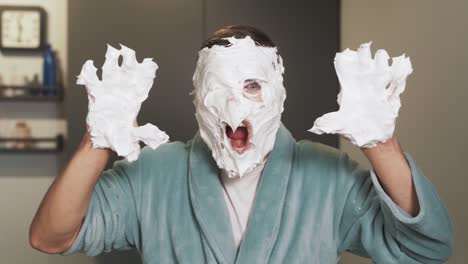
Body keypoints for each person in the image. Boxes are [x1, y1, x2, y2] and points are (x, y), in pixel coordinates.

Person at [30, 25, 452, 264]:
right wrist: (97, 141)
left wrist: (382, 143)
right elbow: (49, 237)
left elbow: (426, 249)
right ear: (196, 99)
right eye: (218, 88)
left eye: (252, 85)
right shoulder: (152, 173)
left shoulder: (329, 177)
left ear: (279, 95)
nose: (234, 105)